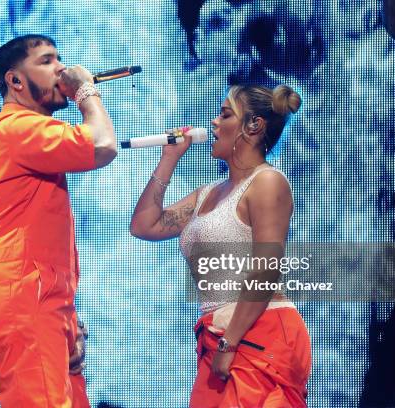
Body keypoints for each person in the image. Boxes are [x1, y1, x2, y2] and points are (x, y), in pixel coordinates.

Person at [130, 84, 311, 407]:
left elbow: (266, 269)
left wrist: (230, 343)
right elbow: (144, 225)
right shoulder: (207, 194)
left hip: (258, 332)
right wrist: (169, 159)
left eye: (225, 114)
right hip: (218, 336)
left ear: (253, 126)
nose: (214, 122)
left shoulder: (267, 182)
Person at [0, 34, 116, 407]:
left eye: (59, 59)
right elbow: (102, 145)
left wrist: (65, 320)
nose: (61, 69)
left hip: (37, 303)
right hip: (23, 302)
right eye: (48, 61)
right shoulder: (16, 127)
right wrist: (85, 93)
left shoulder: (27, 135)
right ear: (15, 81)